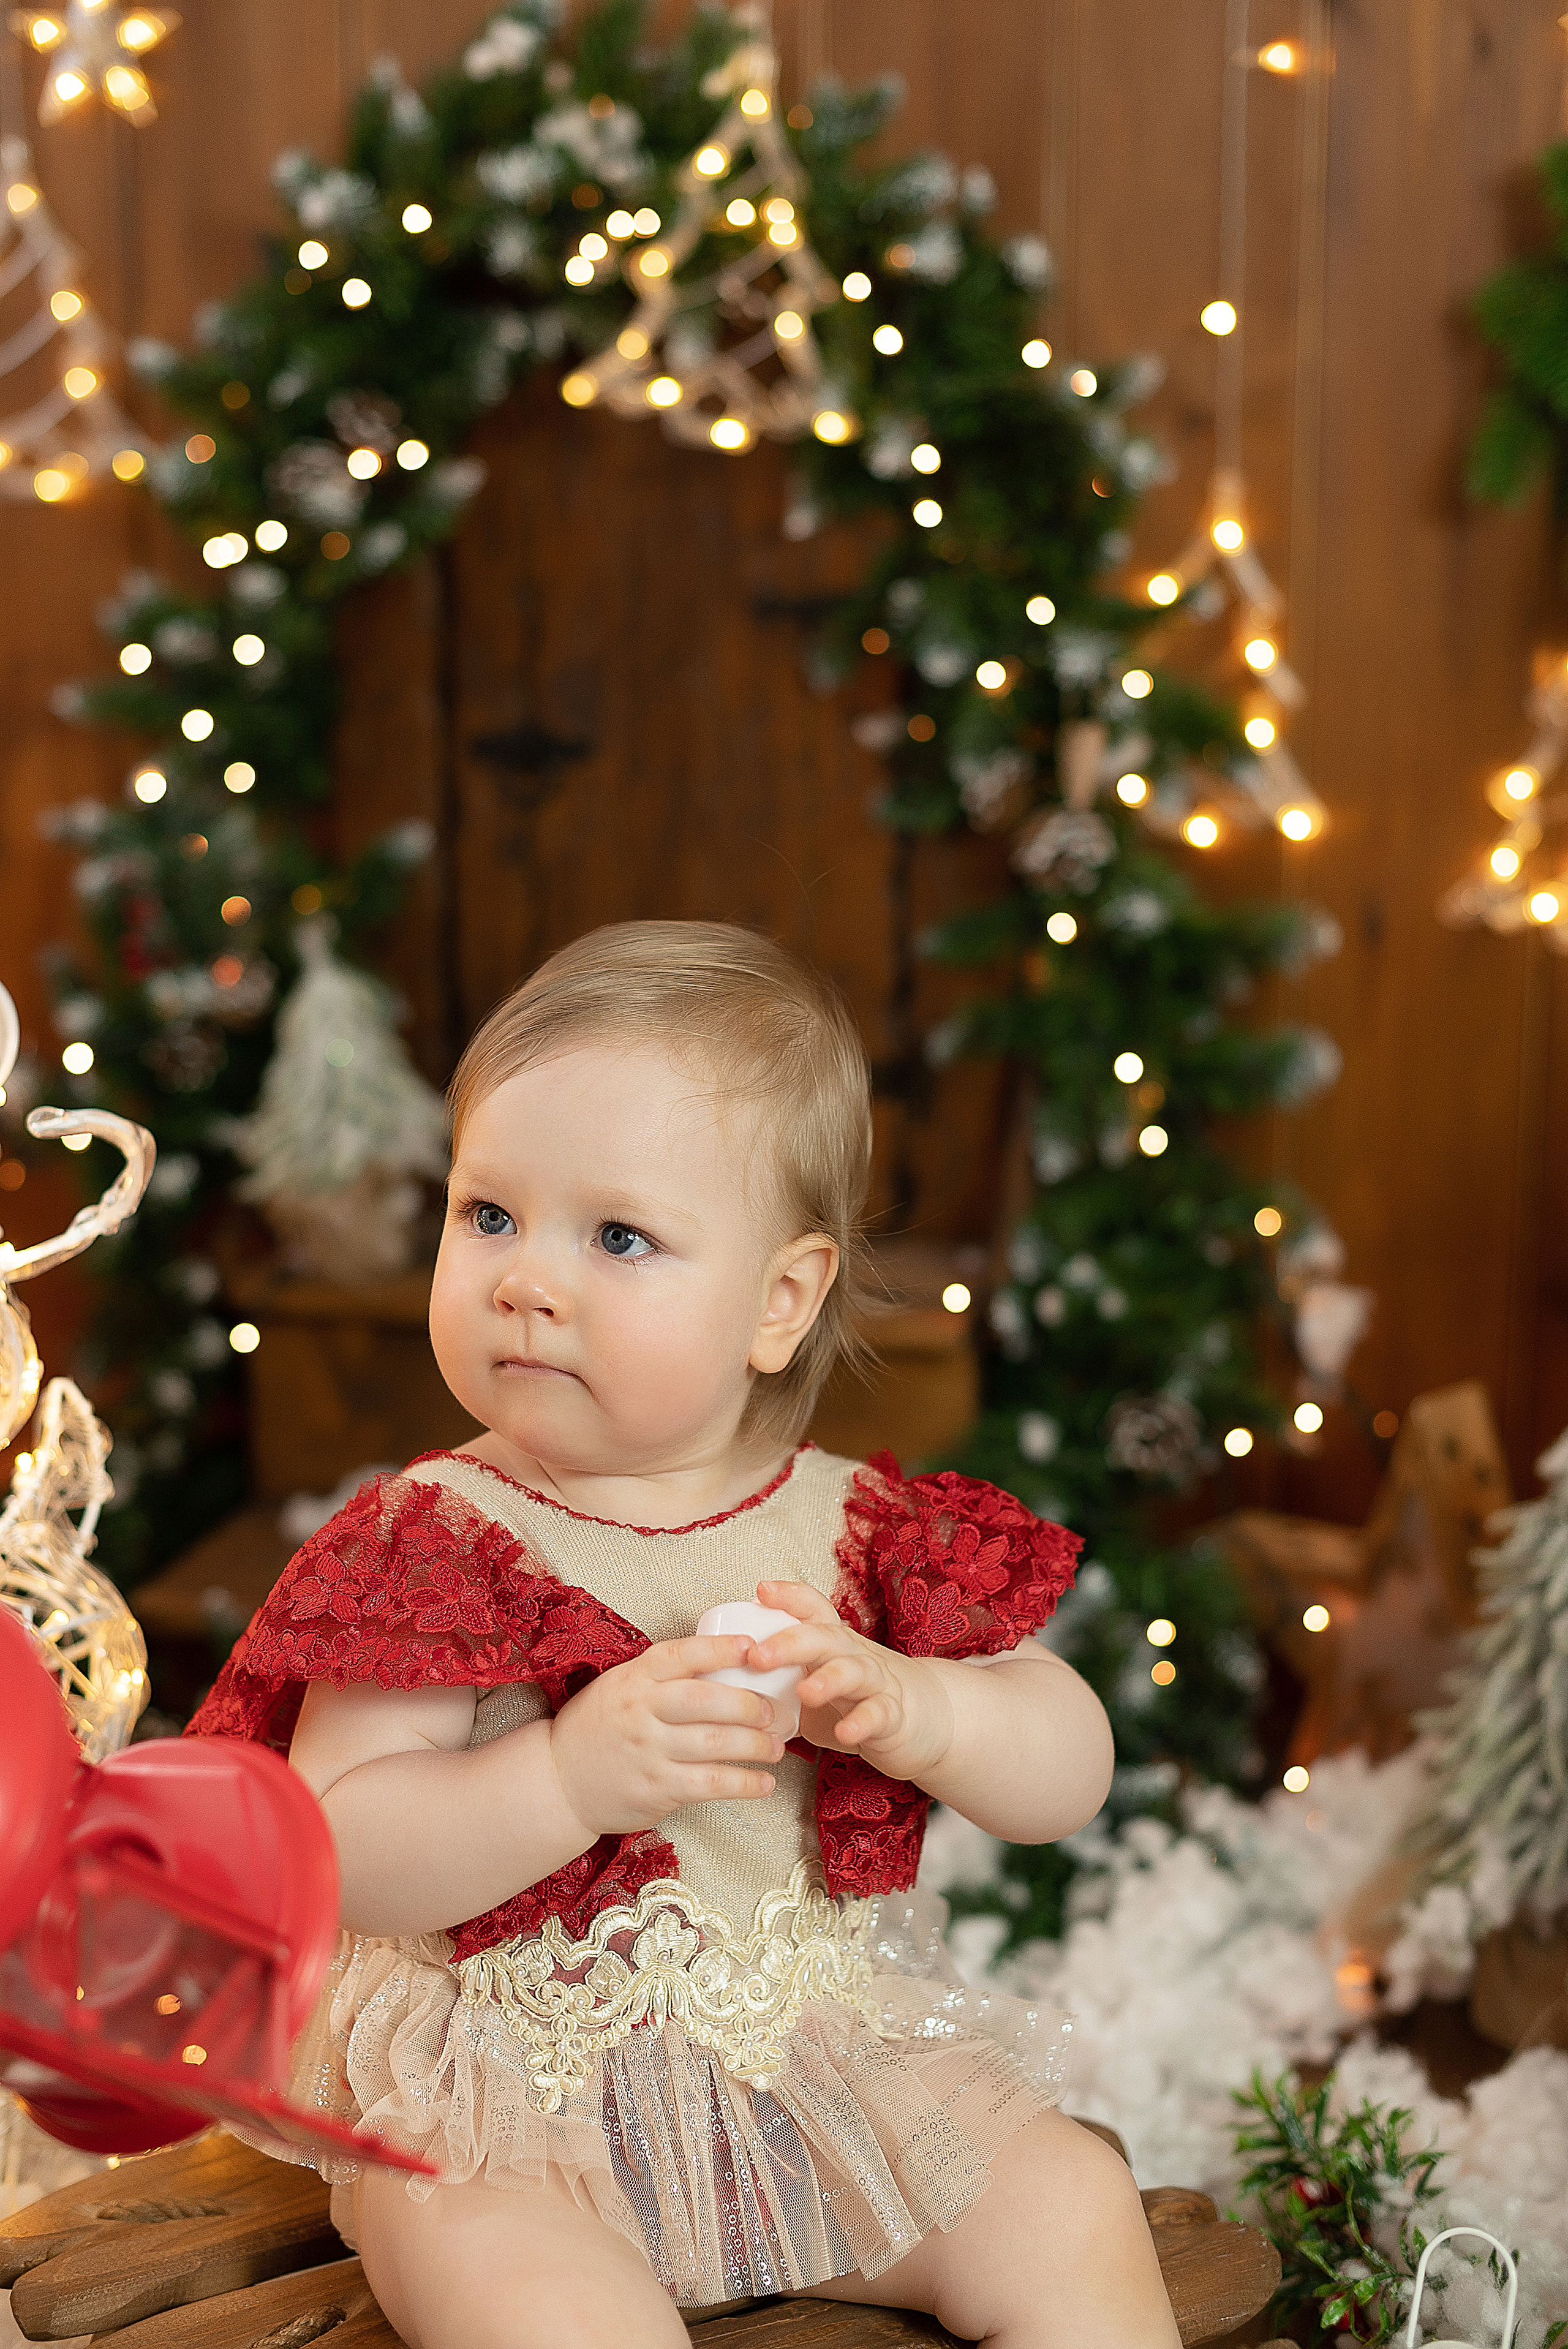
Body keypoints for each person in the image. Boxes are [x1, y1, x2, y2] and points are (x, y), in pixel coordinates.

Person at [190, 921, 1178, 2349]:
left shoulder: (852, 1528)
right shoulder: (439, 1538)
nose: (526, 1279)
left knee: (1070, 2204)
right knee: (552, 2315)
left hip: (793, 2060)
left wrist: (925, 1709)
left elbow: (1067, 1767)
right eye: (488, 1214)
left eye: (617, 1236)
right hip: (502, 2105)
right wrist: (566, 1777)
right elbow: (336, 1849)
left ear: (779, 1300)